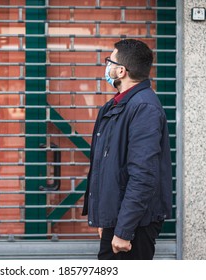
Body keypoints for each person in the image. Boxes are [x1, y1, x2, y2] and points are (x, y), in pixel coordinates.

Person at [82, 39, 173, 260]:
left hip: (133, 226)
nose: (107, 67)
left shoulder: (143, 107)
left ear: (121, 71)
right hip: (117, 219)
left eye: (110, 61)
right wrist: (105, 220)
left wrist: (124, 230)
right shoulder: (117, 106)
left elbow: (143, 175)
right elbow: (107, 167)